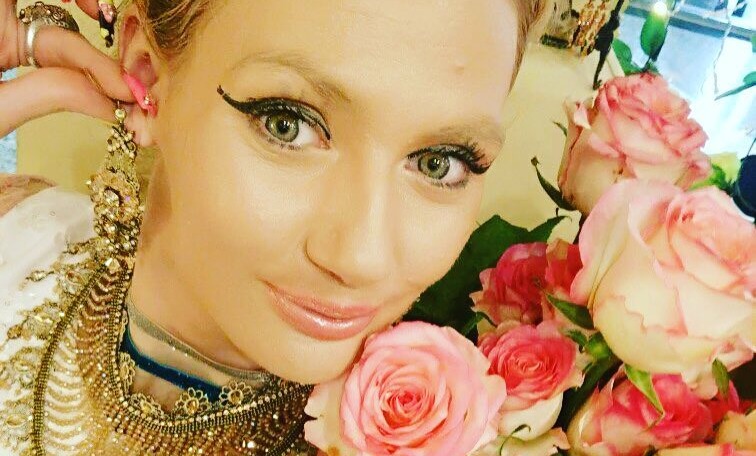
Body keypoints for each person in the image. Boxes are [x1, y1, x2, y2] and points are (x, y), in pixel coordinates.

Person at [0, 0, 549, 454]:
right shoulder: (19, 240)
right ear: (148, 75)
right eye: (287, 125)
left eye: (440, 163)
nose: (361, 258)